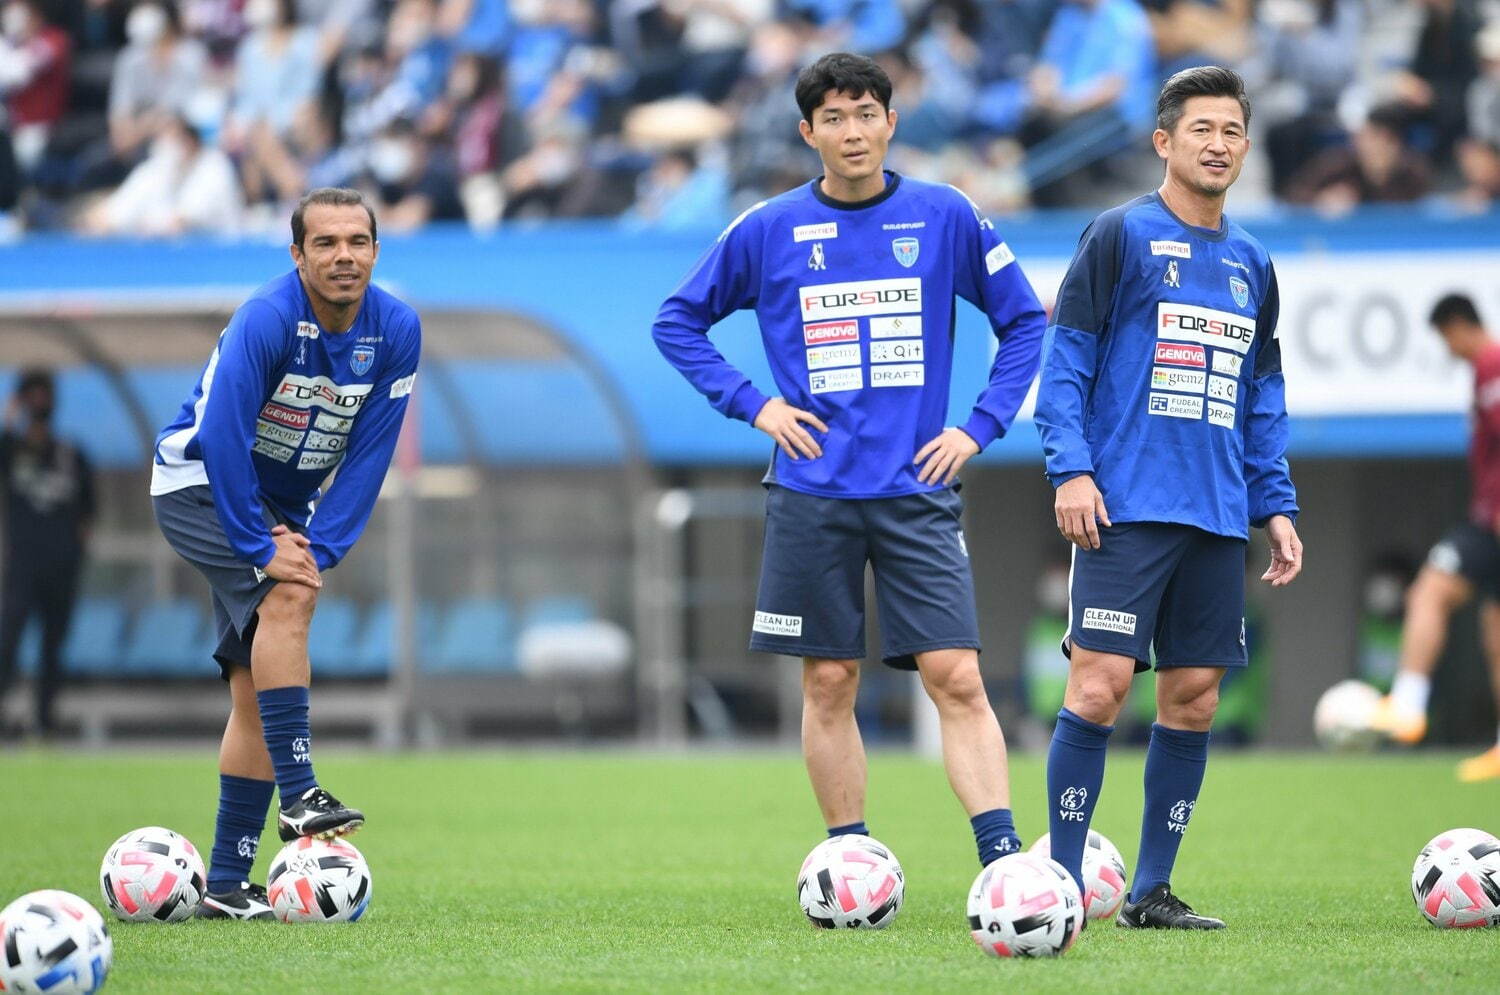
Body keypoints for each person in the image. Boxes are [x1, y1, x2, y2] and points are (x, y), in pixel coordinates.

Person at [653, 52, 1047, 868]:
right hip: (810, 491)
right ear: (808, 132)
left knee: (957, 677)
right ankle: (851, 857)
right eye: (833, 117)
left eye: (867, 112)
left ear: (891, 123)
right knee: (829, 681)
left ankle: (1003, 857)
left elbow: (1027, 322)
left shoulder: (947, 215)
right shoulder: (768, 228)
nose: (853, 129)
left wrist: (977, 426)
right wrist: (754, 404)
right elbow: (677, 321)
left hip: (918, 488)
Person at [1034, 65, 1303, 930]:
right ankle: (1060, 886)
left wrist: (1277, 504)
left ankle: (1149, 890)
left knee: (1192, 696)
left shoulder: (1255, 263)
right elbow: (1066, 360)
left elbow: (1262, 397)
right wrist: (1069, 468)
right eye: (1202, 130)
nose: (1218, 144)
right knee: (1101, 685)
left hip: (1220, 515)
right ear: (1164, 142)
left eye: (1232, 131)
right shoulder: (1118, 235)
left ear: (1246, 146)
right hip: (1125, 507)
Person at [150, 187, 421, 918]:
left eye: (357, 242)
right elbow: (221, 437)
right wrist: (256, 546)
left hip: (277, 510)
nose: (344, 257)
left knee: (254, 690)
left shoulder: (397, 329)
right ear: (297, 255)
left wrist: (318, 547)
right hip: (198, 481)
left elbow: (369, 456)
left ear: (374, 252)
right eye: (325, 243)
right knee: (291, 599)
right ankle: (301, 795)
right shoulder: (268, 318)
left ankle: (229, 885)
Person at [1371, 294, 1500, 782]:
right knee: (1495, 634)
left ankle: (1408, 703)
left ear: (1458, 325)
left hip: (1492, 518)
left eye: (1445, 337)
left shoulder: (1492, 364)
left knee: (1430, 588)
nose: (1447, 349)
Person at [0, 368, 95, 738]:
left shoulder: (71, 455)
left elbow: (89, 513)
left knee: (52, 647)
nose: (40, 403)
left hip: (62, 568)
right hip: (22, 567)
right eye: (32, 395)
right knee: (8, 641)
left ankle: (44, 719)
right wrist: (11, 417)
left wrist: (76, 551)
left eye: (45, 395)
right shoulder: (11, 451)